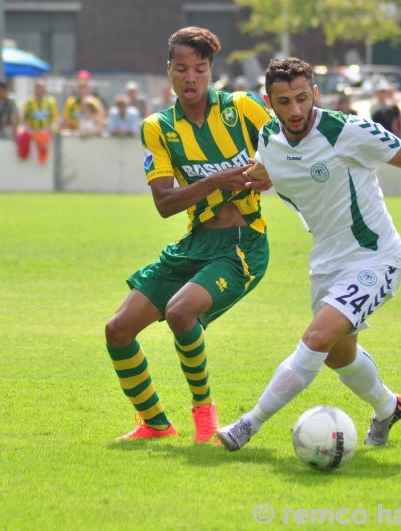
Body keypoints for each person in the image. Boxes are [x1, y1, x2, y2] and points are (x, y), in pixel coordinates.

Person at [216, 57, 401, 452]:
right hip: (326, 263)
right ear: (268, 101)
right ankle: (388, 407)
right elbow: (269, 170)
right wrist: (251, 180)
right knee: (338, 357)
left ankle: (248, 424)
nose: (295, 110)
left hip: (376, 258)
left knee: (317, 338)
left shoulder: (347, 131)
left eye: (302, 99)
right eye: (284, 101)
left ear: (315, 94)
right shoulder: (269, 138)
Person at [104, 26, 272, 443]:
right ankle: (155, 423)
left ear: (211, 71)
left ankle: (204, 414)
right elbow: (164, 204)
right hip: (195, 242)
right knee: (118, 330)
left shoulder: (242, 108)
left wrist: (272, 175)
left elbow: (289, 153)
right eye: (182, 69)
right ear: (169, 72)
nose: (191, 77)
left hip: (242, 245)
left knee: (181, 313)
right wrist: (217, 180)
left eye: (199, 69)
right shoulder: (158, 127)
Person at [21, 78, 59, 164]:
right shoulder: (29, 102)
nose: (42, 91)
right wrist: (31, 131)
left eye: (43, 89)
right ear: (35, 89)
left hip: (47, 137)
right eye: (39, 88)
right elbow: (25, 119)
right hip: (33, 137)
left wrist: (48, 131)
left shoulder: (50, 102)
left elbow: (55, 119)